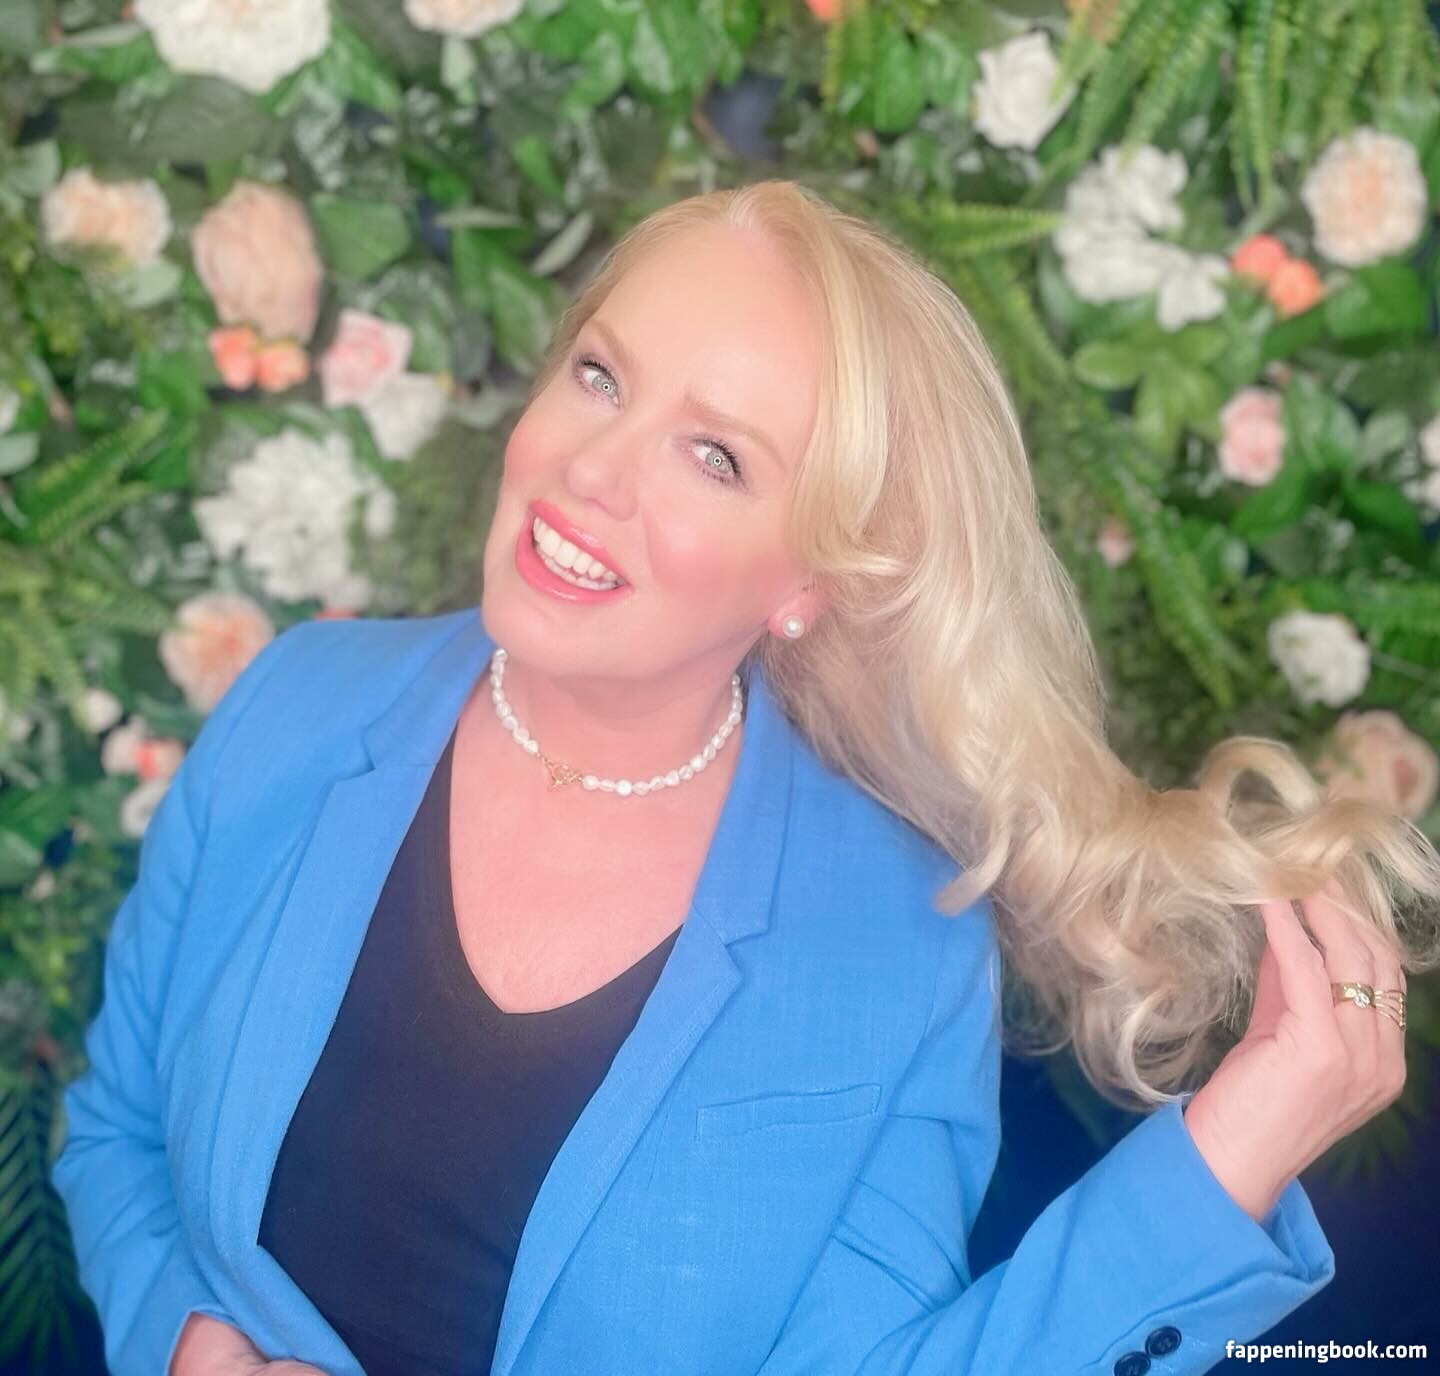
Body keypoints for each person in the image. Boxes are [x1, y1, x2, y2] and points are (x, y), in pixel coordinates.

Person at [53, 180, 1439, 1376]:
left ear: (807, 582)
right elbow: (116, 1125)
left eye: (714, 457)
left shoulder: (894, 946)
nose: (593, 469)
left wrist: (1223, 1166)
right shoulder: (298, 705)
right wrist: (185, 1338)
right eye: (600, 376)